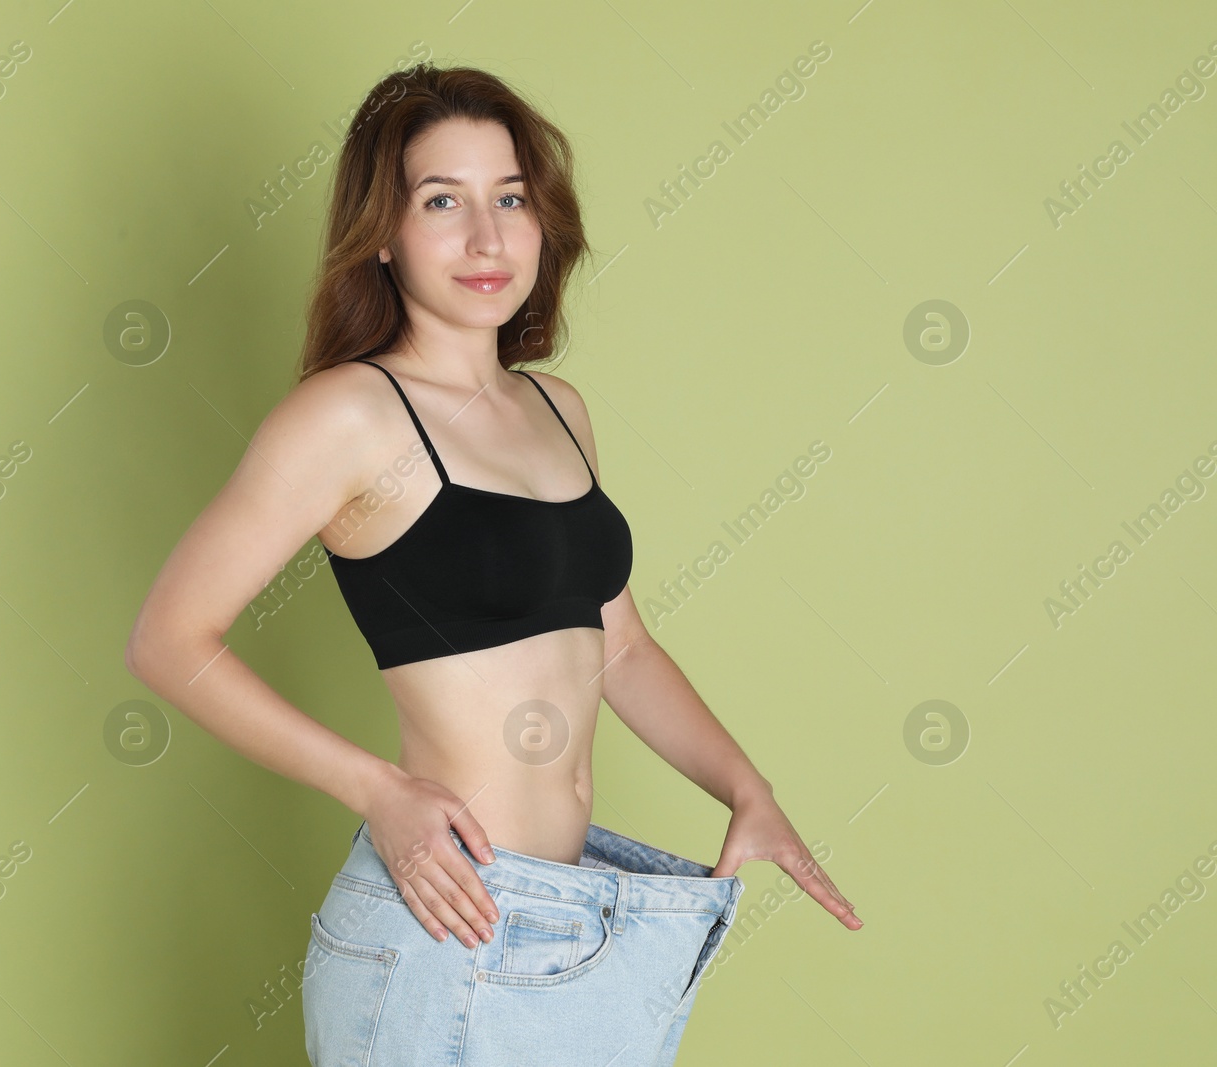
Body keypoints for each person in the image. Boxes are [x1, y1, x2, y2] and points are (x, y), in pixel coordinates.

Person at [124, 63, 860, 1066]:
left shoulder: (558, 410)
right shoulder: (347, 414)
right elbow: (169, 640)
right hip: (445, 929)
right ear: (382, 233)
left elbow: (623, 644)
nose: (487, 237)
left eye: (509, 199)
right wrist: (376, 788)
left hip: (578, 918)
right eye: (443, 202)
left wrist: (746, 787)